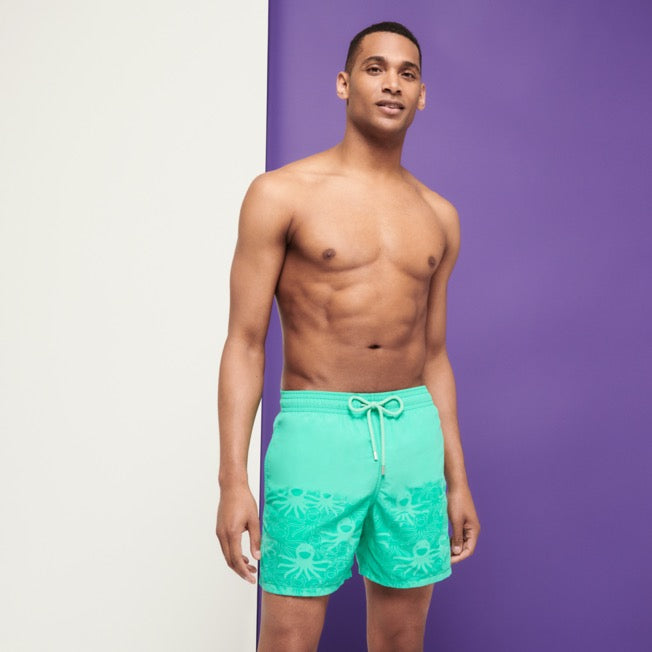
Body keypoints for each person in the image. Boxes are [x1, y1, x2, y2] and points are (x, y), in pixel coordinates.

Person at [216, 20, 481, 651]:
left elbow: (434, 355)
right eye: (375, 68)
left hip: (412, 432)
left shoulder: (439, 215)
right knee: (287, 638)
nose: (392, 84)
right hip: (317, 432)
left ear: (422, 95)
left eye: (407, 73)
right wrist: (232, 479)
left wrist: (457, 477)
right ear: (343, 83)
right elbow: (245, 342)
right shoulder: (280, 194)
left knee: (401, 639)